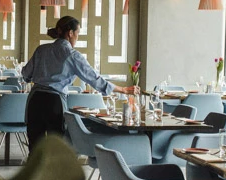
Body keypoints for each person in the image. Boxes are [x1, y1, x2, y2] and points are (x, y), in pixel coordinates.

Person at [21, 15, 139, 152]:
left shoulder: (41, 50)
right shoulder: (72, 55)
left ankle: (34, 173)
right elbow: (94, 78)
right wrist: (123, 90)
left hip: (34, 100)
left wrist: (37, 77)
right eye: (77, 33)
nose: (77, 37)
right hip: (54, 103)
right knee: (56, 149)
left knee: (34, 148)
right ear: (70, 33)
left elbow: (25, 74)